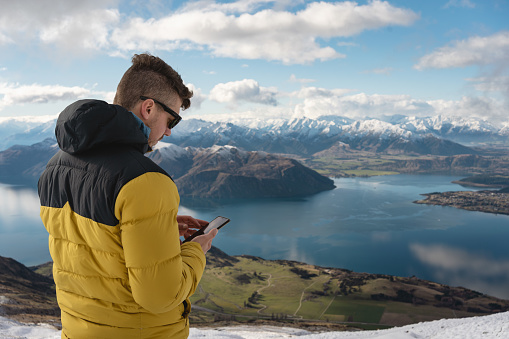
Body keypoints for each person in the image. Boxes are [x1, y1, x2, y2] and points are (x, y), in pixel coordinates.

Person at [38, 53, 217, 338]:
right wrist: (197, 250)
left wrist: (160, 228)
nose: (169, 132)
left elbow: (96, 254)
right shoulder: (145, 181)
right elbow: (160, 296)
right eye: (172, 120)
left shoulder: (54, 167)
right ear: (148, 108)